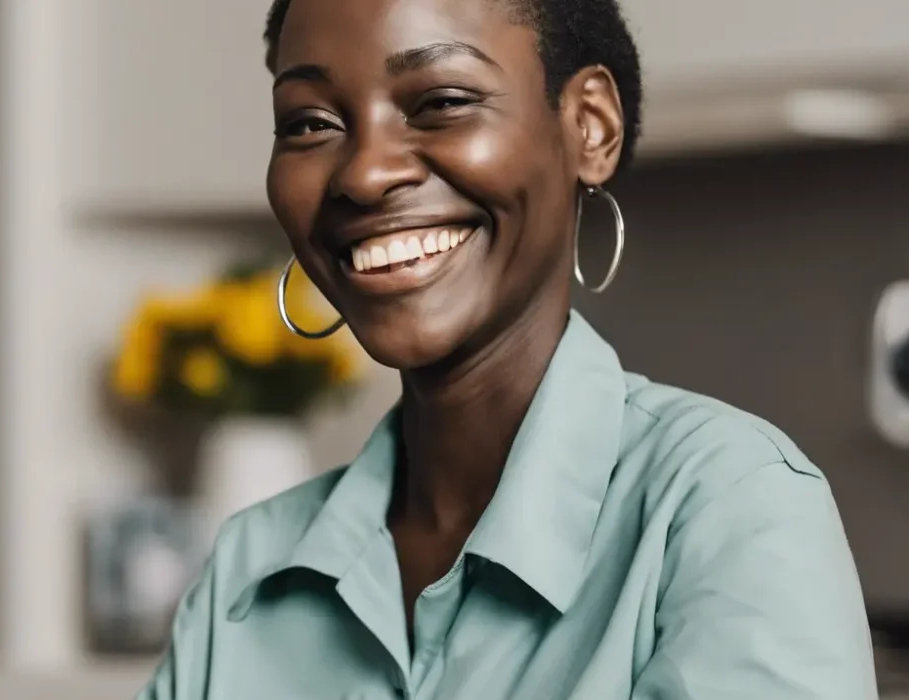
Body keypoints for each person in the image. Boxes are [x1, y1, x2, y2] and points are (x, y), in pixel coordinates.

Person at [138, 0, 879, 697]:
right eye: (308, 123)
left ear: (590, 126)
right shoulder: (248, 569)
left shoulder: (724, 505)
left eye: (442, 103)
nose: (364, 174)